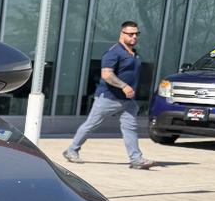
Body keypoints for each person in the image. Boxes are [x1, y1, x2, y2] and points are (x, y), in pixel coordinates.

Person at [63, 21, 155, 169]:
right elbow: (106, 75)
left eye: (136, 34)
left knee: (130, 128)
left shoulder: (134, 54)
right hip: (108, 98)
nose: (134, 36)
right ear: (122, 34)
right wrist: (124, 86)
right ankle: (71, 150)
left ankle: (136, 159)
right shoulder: (113, 52)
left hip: (127, 101)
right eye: (130, 34)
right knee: (91, 125)